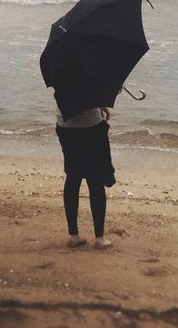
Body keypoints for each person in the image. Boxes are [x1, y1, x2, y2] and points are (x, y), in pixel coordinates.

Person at [54, 101, 116, 248]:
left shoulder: (59, 76)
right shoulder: (91, 76)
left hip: (64, 124)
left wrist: (100, 106)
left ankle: (74, 236)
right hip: (90, 126)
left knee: (73, 177)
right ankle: (100, 238)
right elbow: (90, 91)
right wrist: (100, 104)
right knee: (95, 180)